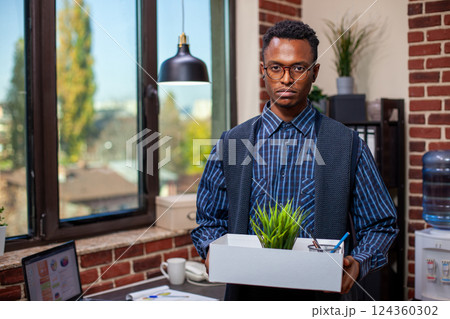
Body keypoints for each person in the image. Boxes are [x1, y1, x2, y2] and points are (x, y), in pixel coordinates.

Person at [191, 20, 398, 301]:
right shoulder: (232, 143)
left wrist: (358, 263)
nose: (286, 79)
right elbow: (209, 220)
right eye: (276, 67)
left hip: (321, 298)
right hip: (246, 297)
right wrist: (212, 249)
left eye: (298, 68)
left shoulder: (347, 145)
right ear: (263, 71)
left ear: (314, 73)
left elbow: (380, 224)